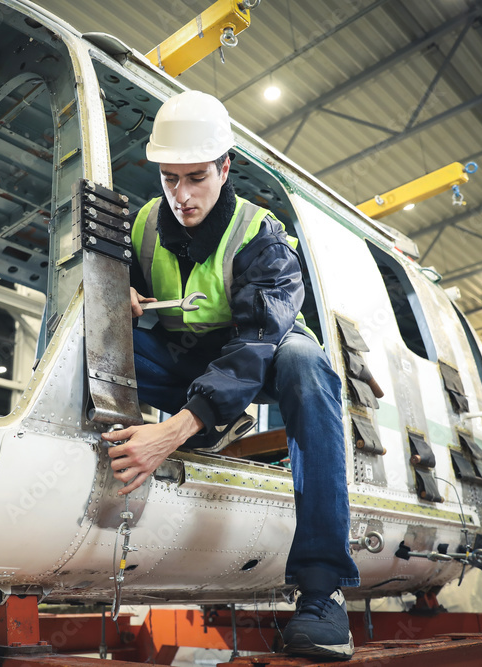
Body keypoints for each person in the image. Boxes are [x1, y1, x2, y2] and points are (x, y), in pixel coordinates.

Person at [101, 90, 360, 661]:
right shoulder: (146, 223)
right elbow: (122, 306)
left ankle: (322, 589)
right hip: (186, 359)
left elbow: (253, 346)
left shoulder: (262, 237)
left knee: (306, 365)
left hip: (259, 358)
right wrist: (122, 302)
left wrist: (172, 432)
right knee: (95, 338)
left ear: (224, 167)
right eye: (170, 178)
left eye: (196, 177)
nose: (182, 195)